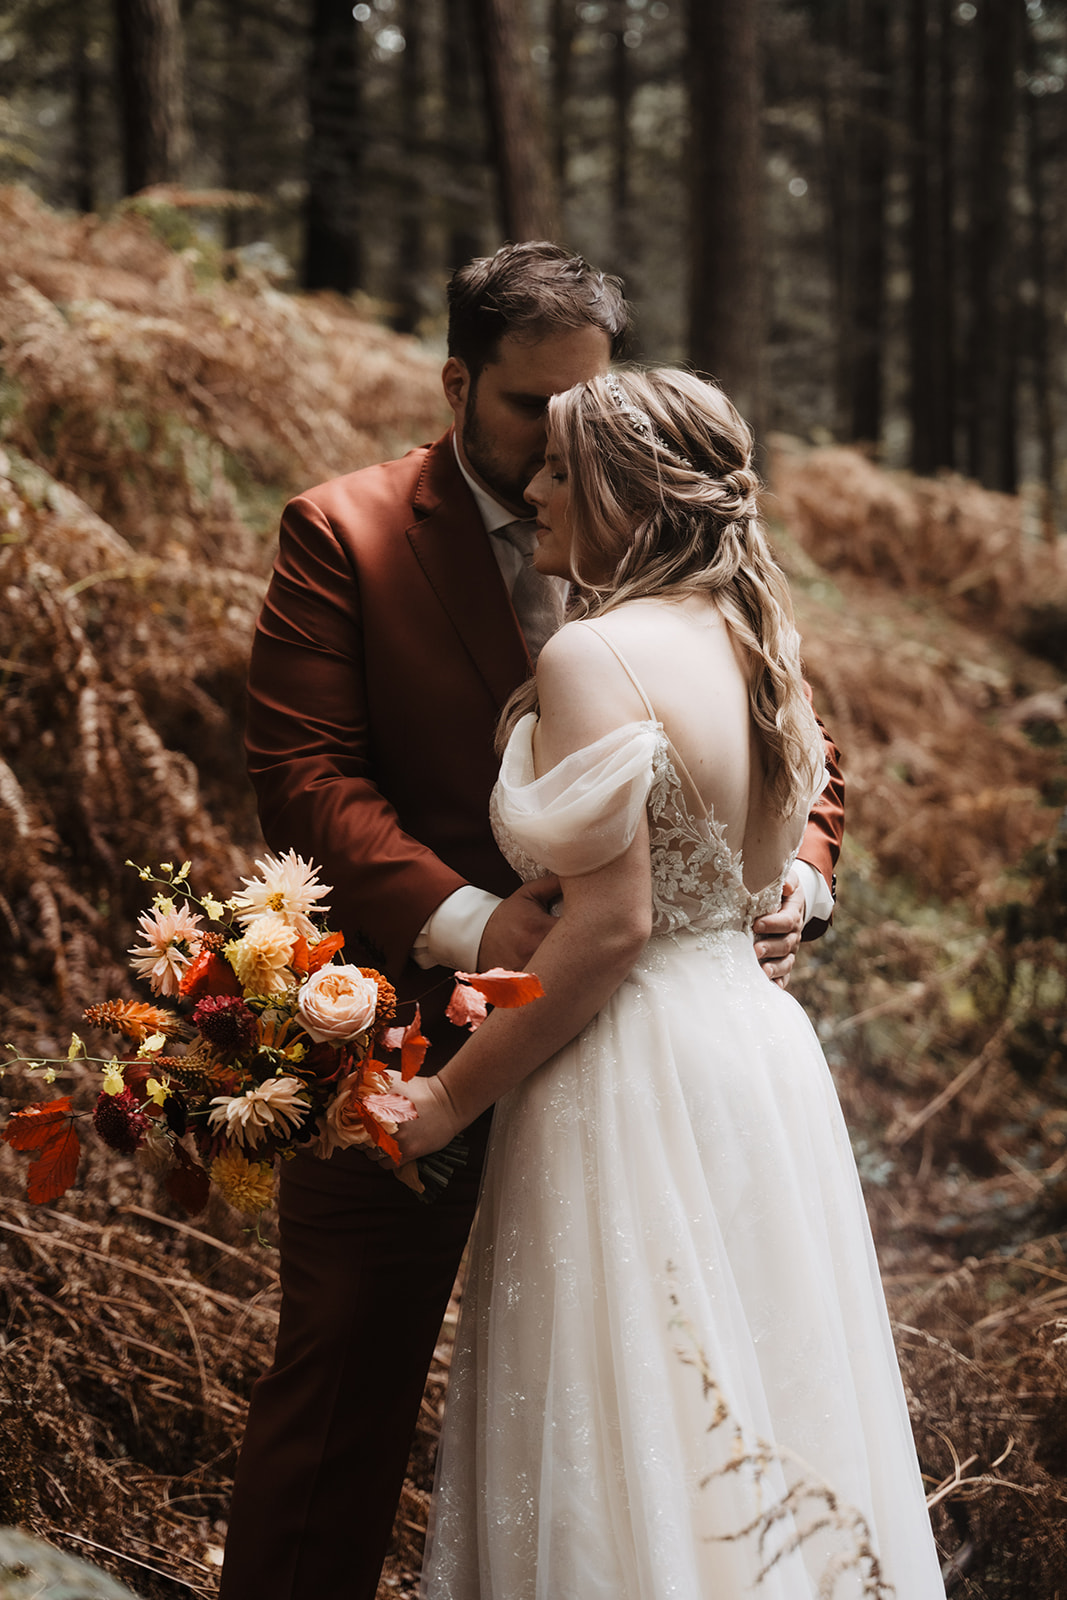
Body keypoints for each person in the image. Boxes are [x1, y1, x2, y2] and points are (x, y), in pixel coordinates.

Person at [222, 246, 844, 1600]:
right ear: (457, 382)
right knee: (340, 1394)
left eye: (588, 401)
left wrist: (785, 882)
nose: (564, 439)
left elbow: (793, 744)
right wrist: (470, 927)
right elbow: (307, 776)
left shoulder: (671, 522)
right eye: (530, 411)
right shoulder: (348, 532)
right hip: (405, 1022)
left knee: (670, 1404)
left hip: (651, 1066)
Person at [393, 369, 944, 1599]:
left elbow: (608, 930)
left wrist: (442, 1102)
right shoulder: (755, 638)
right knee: (756, 1394)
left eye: (556, 471)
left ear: (619, 495)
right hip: (751, 1050)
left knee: (631, 1402)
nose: (532, 487)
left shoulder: (593, 650)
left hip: (627, 1065)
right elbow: (746, 876)